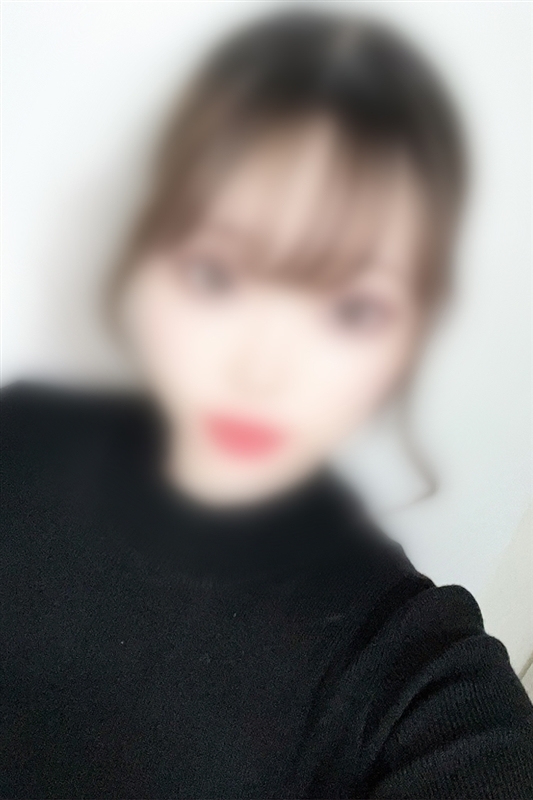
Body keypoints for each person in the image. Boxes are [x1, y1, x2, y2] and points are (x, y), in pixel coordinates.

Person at [1, 10, 532, 799]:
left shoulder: (404, 667)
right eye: (216, 273)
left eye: (351, 309)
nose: (263, 366)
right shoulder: (21, 439)